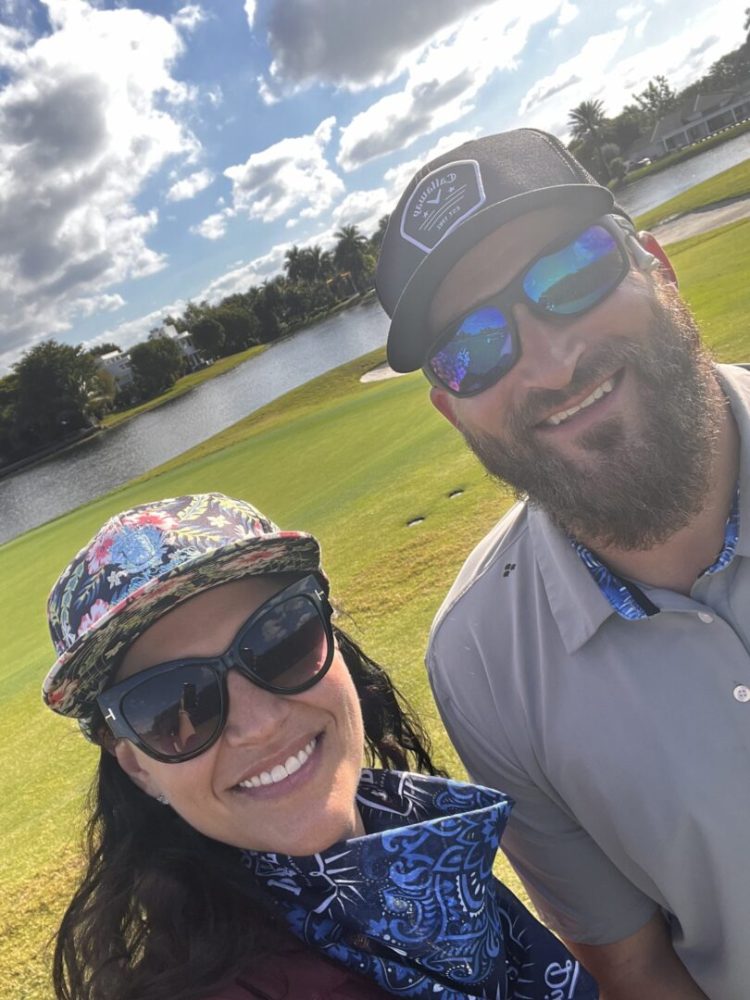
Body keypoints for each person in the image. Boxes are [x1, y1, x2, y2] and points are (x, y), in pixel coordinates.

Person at [375, 127, 747, 999]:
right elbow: (633, 963)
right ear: (450, 410)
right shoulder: (477, 663)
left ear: (655, 263)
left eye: (569, 272)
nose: (548, 361)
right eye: (473, 347)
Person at [43, 492, 598, 1000]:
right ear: (138, 769)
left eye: (279, 639)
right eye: (169, 707)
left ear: (331, 640)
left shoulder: (413, 844)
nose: (257, 723)